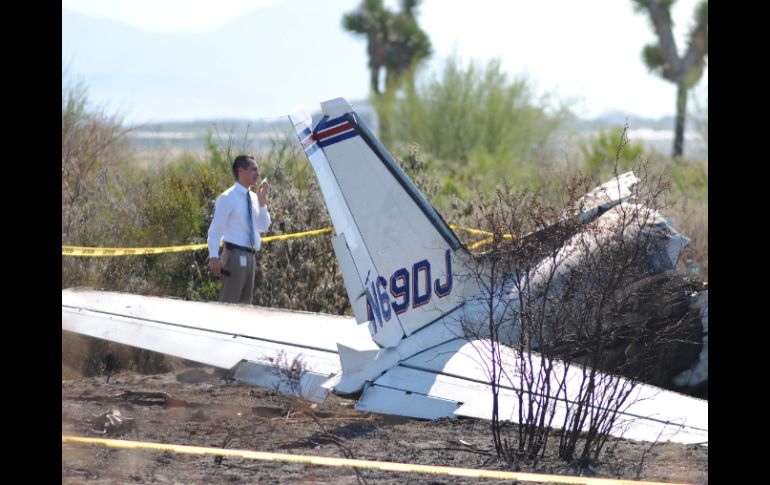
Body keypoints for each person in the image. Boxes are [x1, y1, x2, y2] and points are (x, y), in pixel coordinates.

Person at [207, 155, 271, 304]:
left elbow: (264, 226)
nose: (258, 174)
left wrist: (262, 202)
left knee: (245, 306)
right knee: (229, 303)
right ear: (241, 171)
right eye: (253, 169)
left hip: (251, 257)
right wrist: (213, 256)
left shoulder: (255, 198)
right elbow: (216, 229)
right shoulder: (228, 197)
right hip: (234, 255)